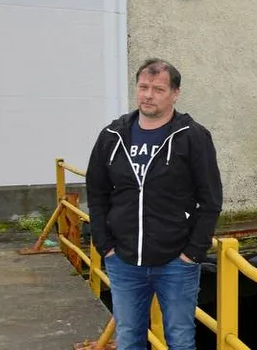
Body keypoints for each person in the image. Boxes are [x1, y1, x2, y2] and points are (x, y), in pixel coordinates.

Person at [85, 58, 223, 350]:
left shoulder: (193, 137)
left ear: (175, 93)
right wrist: (105, 245)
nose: (148, 94)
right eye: (143, 87)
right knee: (129, 337)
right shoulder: (112, 136)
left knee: (181, 340)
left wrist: (192, 253)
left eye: (158, 89)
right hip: (123, 260)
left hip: (176, 262)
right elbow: (96, 194)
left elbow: (210, 199)